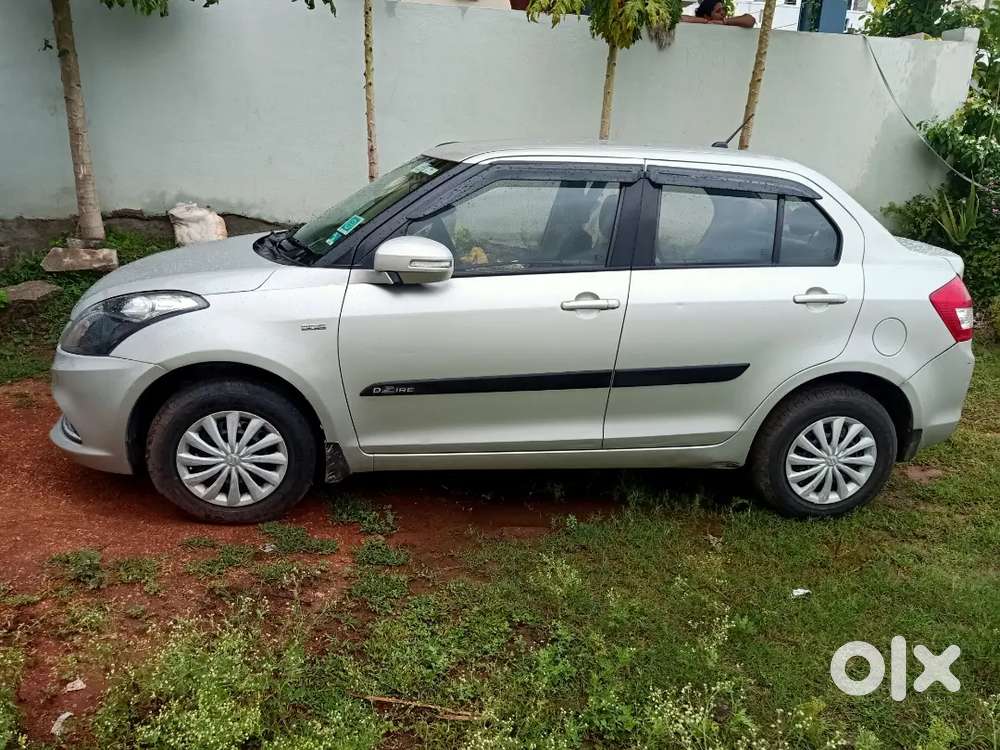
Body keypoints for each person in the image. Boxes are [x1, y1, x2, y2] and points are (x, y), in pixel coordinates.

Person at [681, 0, 756, 27]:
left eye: (724, 9)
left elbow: (751, 20)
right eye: (718, 11)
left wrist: (725, 22)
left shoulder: (728, 22)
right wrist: (705, 21)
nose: (723, 13)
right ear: (707, 16)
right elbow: (679, 18)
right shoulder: (700, 24)